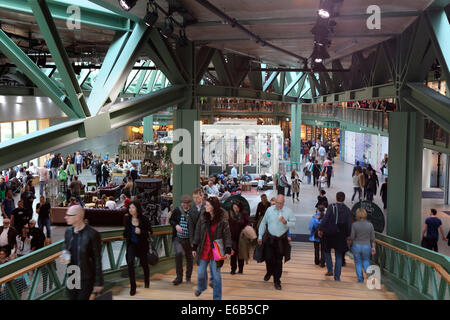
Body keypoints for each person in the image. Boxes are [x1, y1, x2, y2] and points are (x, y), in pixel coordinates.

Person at [192, 197, 232, 300]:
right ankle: (201, 287)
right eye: (205, 204)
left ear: (213, 207)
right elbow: (197, 231)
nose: (205, 206)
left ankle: (217, 298)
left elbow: (227, 235)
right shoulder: (203, 216)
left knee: (216, 276)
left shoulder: (222, 219)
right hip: (204, 249)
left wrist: (228, 249)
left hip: (216, 251)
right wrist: (194, 246)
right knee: (200, 273)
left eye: (207, 205)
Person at [62, 205, 103, 300]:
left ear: (78, 216)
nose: (65, 217)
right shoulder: (68, 232)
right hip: (72, 274)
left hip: (86, 277)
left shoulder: (92, 234)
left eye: (69, 215)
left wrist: (98, 282)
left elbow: (97, 259)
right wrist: (65, 253)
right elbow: (65, 246)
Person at [258, 194, 296, 290]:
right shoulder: (270, 210)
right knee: (268, 258)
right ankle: (269, 271)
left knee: (278, 262)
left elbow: (294, 224)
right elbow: (263, 222)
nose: (278, 205)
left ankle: (277, 281)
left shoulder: (288, 211)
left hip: (281, 240)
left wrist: (286, 222)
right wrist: (260, 235)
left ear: (283, 202)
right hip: (270, 239)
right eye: (277, 203)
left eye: (280, 203)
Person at [318, 192, 352, 281]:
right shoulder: (347, 210)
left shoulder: (331, 207)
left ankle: (330, 270)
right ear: (344, 199)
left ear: (336, 197)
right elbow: (349, 225)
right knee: (339, 255)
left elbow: (325, 219)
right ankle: (337, 277)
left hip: (329, 233)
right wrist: (348, 236)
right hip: (341, 234)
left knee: (326, 250)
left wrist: (320, 229)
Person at [123, 201, 152, 295]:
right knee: (130, 262)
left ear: (137, 209)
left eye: (133, 208)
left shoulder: (144, 219)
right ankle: (133, 287)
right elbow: (125, 232)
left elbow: (150, 232)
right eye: (129, 208)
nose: (130, 210)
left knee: (144, 264)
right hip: (131, 245)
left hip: (142, 245)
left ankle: (147, 281)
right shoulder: (127, 219)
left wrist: (141, 232)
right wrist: (126, 234)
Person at [170, 195, 197, 285]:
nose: (183, 205)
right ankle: (179, 277)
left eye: (185, 203)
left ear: (189, 203)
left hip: (189, 239)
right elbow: (171, 220)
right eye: (182, 203)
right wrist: (176, 225)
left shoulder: (193, 211)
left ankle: (188, 277)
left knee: (189, 258)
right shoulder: (177, 210)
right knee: (178, 254)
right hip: (178, 238)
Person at [350, 208, 376, 283]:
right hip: (367, 246)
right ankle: (369, 276)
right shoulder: (370, 225)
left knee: (358, 262)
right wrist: (373, 247)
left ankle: (360, 279)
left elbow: (352, 237)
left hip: (356, 245)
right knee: (366, 261)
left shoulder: (354, 225)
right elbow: (373, 238)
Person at [228, 200, 250, 275]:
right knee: (233, 253)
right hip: (232, 237)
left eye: (237, 207)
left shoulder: (244, 214)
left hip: (242, 237)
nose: (235, 209)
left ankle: (241, 269)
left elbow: (248, 223)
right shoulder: (229, 214)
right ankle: (233, 269)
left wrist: (246, 228)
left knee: (241, 254)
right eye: (234, 207)